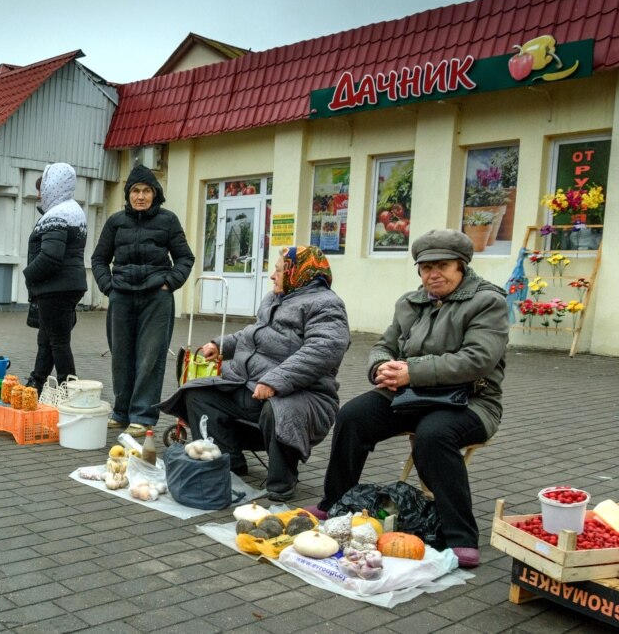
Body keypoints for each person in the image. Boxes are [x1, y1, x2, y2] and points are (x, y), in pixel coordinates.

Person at [306, 229, 508, 569]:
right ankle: (334, 502)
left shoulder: (488, 302)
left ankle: (461, 536)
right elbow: (384, 345)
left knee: (433, 435)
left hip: (471, 402)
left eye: (442, 265)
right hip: (410, 396)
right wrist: (381, 368)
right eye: (425, 267)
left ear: (461, 266)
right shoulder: (410, 302)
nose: (433, 274)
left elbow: (478, 360)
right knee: (354, 415)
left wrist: (411, 371)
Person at [155, 246, 350, 502]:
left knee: (278, 410)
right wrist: (219, 344)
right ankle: (228, 461)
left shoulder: (327, 304)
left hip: (304, 395)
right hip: (250, 385)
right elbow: (254, 334)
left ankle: (282, 482)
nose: (272, 276)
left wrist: (275, 381)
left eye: (279, 270)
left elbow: (323, 350)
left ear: (298, 273)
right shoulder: (274, 299)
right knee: (197, 394)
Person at [91, 164, 194, 436]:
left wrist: (168, 283)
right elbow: (99, 259)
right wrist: (109, 287)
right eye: (135, 191)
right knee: (121, 358)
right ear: (128, 194)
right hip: (121, 297)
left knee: (150, 358)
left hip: (156, 299)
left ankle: (143, 416)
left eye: (146, 191)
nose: (140, 196)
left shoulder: (168, 221)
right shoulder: (115, 222)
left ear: (155, 193)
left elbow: (185, 257)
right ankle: (121, 412)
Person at [23, 163, 87, 389]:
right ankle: (36, 382)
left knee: (58, 341)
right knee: (48, 338)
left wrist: (28, 274)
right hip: (65, 285)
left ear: (54, 186)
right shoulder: (71, 210)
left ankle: (68, 389)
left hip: (56, 287)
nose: (40, 194)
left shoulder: (58, 214)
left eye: (43, 188)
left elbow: (50, 257)